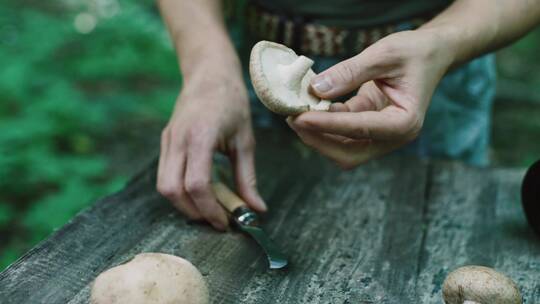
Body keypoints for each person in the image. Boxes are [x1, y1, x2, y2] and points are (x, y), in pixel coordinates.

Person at [156, 0, 540, 230]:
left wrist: (444, 43)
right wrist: (206, 63)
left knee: (434, 230)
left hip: (434, 69)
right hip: (248, 75)